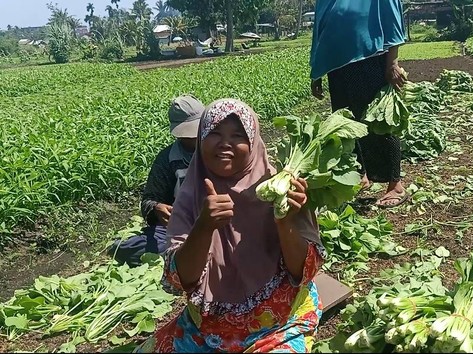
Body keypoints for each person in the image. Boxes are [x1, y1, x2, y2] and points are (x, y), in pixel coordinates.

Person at [135, 99, 325, 353]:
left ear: (254, 142)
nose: (225, 143)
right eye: (214, 133)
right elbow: (182, 280)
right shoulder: (191, 196)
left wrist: (285, 220)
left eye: (238, 135)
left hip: (279, 323)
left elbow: (302, 272)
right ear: (200, 139)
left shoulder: (281, 188)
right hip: (208, 329)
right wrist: (204, 226)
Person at [309, 0, 409, 208]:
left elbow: (392, 16)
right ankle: (361, 175)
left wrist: (392, 62)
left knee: (377, 122)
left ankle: (395, 185)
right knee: (347, 124)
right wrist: (316, 71)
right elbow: (320, 29)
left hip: (369, 58)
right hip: (336, 66)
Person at [107, 95, 206, 266]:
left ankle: (187, 257)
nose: (194, 138)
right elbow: (148, 200)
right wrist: (156, 208)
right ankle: (183, 256)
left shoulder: (220, 150)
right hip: (179, 228)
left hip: (218, 222)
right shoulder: (167, 159)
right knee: (125, 248)